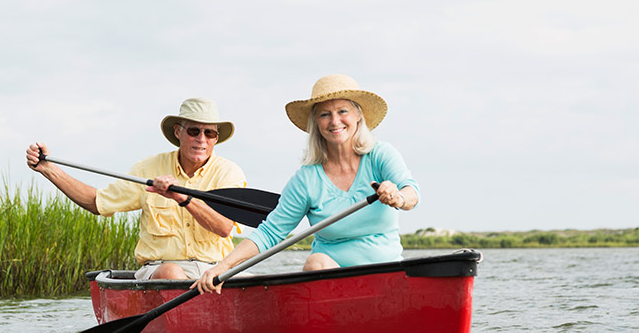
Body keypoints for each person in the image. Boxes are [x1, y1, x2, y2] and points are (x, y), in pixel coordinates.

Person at [194, 74, 419, 294]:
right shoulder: (306, 179)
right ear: (316, 123)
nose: (334, 121)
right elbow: (270, 232)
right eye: (324, 114)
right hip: (333, 285)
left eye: (342, 111)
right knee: (316, 262)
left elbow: (411, 193)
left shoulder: (381, 155)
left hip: (388, 278)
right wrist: (222, 267)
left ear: (358, 115)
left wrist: (398, 197)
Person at [26, 98, 246, 280]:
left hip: (217, 270)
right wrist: (48, 170)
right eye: (194, 131)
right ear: (178, 132)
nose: (202, 140)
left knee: (255, 279)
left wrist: (182, 198)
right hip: (160, 270)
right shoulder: (147, 168)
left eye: (210, 134)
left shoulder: (229, 172)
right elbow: (96, 202)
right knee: (171, 272)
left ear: (216, 138)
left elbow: (224, 228)